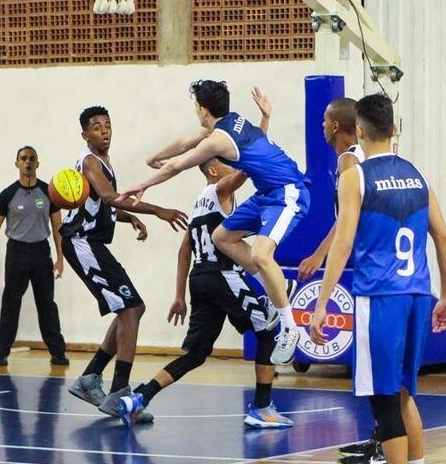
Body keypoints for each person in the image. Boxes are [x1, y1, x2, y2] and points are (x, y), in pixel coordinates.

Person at [309, 93, 446, 464]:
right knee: (406, 394)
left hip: (380, 297)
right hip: (418, 294)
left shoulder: (355, 177)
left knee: (383, 401)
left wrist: (321, 302)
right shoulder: (417, 174)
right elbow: (443, 238)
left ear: (360, 131)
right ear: (393, 129)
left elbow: (344, 242)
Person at [120, 80, 310, 365]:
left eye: (195, 104)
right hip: (266, 193)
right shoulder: (233, 123)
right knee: (222, 237)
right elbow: (185, 143)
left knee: (260, 253)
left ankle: (289, 328)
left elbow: (178, 165)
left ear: (202, 109)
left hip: (288, 193)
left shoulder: (218, 141)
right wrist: (154, 157)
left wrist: (143, 184)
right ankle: (278, 287)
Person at [112, 157, 290, 428]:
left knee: (195, 354)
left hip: (200, 278)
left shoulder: (198, 203)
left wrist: (180, 295)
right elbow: (245, 171)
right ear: (214, 170)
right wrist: (257, 144)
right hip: (222, 274)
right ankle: (262, 408)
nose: (233, 165)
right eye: (227, 162)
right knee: (267, 332)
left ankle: (140, 397)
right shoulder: (220, 190)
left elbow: (185, 250)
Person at [62, 105, 188, 417]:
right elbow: (106, 196)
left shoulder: (104, 162)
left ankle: (91, 378)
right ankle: (119, 392)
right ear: (85, 134)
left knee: (130, 309)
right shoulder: (89, 161)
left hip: (92, 243)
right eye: (96, 127)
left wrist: (128, 216)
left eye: (107, 125)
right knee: (131, 309)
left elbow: (101, 205)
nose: (104, 131)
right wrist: (157, 210)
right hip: (81, 243)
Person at [295, 97, 383, 464]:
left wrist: (321, 256)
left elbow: (349, 222)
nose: (321, 125)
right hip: (376, 266)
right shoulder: (349, 159)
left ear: (335, 125)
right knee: (375, 371)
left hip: (370, 268)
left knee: (375, 371)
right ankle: (381, 438)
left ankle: (384, 444)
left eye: (324, 120)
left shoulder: (350, 160)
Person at [0, 145, 69, 367]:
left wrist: (60, 258)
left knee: (47, 304)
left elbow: (58, 227)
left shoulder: (49, 192)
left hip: (40, 252)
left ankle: (58, 353)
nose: (27, 162)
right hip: (17, 253)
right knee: (10, 303)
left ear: (38, 163)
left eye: (32, 158)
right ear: (17, 163)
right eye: (23, 158)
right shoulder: (7, 194)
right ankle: (1, 353)